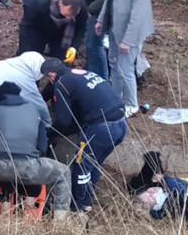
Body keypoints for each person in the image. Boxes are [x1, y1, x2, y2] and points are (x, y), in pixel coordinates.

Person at [0, 81, 71, 214]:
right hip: (29, 167)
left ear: (0, 97)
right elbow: (43, 148)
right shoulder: (35, 112)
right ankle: (60, 223)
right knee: (64, 173)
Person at [44, 60, 127, 212]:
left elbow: (63, 122)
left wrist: (49, 133)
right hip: (121, 124)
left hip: (101, 129)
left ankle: (75, 207)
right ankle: (87, 202)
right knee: (95, 163)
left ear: (51, 75)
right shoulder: (84, 73)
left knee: (81, 166)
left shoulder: (62, 83)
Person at [96, 0, 154, 118]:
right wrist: (100, 20)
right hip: (114, 28)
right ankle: (115, 97)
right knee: (114, 63)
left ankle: (131, 104)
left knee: (126, 68)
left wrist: (128, 40)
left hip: (129, 33)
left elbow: (139, 14)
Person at [17, 0, 83, 59]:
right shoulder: (40, 3)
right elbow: (26, 26)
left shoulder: (80, 8)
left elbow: (80, 28)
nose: (70, 18)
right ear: (60, 3)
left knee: (61, 60)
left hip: (62, 34)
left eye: (74, 15)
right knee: (32, 56)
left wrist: (73, 47)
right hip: (38, 30)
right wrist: (25, 50)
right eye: (67, 15)